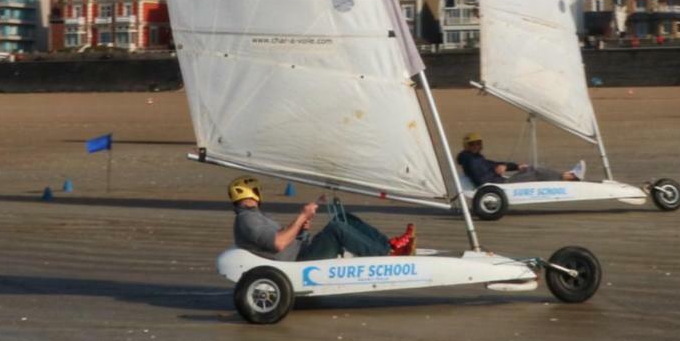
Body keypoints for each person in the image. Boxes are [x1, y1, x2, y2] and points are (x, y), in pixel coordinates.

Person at [228, 175, 415, 260]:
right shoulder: (247, 220)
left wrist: (302, 230)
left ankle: (387, 245)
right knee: (337, 229)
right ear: (254, 193)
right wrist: (302, 216)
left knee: (343, 219)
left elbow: (286, 240)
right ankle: (385, 255)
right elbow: (278, 243)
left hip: (302, 250)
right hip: (301, 260)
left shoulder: (253, 217)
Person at [456, 133, 585, 185]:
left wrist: (515, 166)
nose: (476, 146)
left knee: (527, 169)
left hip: (500, 181)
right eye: (473, 144)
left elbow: (495, 164)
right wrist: (495, 173)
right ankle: (569, 177)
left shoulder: (478, 158)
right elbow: (481, 180)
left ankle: (566, 175)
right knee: (534, 171)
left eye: (478, 143)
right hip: (500, 185)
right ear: (467, 146)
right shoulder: (470, 160)